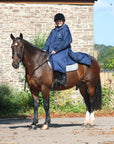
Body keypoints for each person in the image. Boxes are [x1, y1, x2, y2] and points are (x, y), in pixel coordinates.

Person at [43, 13, 91, 89]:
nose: (59, 22)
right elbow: (48, 41)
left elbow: (67, 41)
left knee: (56, 58)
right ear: (55, 21)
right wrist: (45, 49)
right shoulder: (53, 31)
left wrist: (56, 50)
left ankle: (62, 78)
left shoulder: (65, 29)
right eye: (57, 21)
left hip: (63, 50)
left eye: (60, 20)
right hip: (52, 51)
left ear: (63, 21)